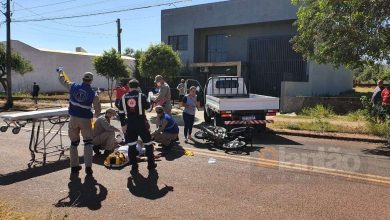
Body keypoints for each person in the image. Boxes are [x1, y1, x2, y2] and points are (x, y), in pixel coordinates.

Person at [58, 70, 101, 175]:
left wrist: (60, 72)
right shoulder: (93, 93)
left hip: (73, 118)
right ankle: (88, 168)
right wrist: (96, 115)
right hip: (85, 120)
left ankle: (74, 166)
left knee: (74, 143)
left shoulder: (73, 86)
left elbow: (62, 81)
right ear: (91, 81)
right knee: (88, 143)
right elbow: (98, 109)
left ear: (83, 79)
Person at [118, 79, 157, 172]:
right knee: (148, 143)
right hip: (141, 122)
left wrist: (123, 124)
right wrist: (152, 101)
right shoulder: (141, 96)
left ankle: (134, 166)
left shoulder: (123, 97)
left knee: (131, 145)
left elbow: (120, 112)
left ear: (129, 86)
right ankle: (151, 165)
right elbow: (148, 109)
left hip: (130, 123)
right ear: (138, 86)